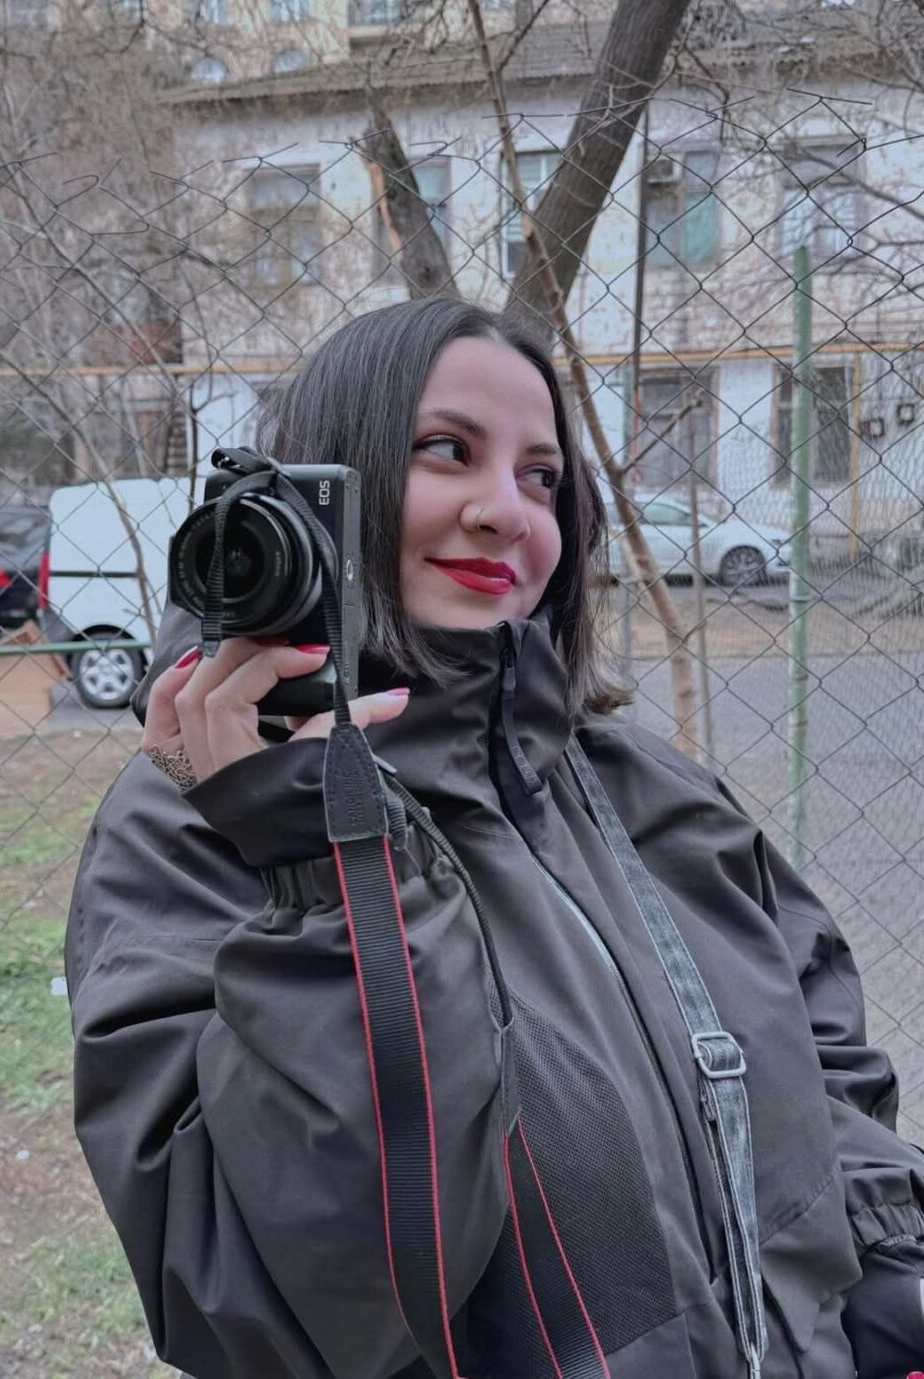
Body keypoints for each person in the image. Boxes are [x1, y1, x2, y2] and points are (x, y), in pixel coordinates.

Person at [65, 298, 924, 1379]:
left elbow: (820, 1051)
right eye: (447, 450)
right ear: (324, 484)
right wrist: (327, 863)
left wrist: (889, 1277)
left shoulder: (642, 784)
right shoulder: (191, 828)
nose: (507, 511)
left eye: (542, 475)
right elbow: (288, 1305)